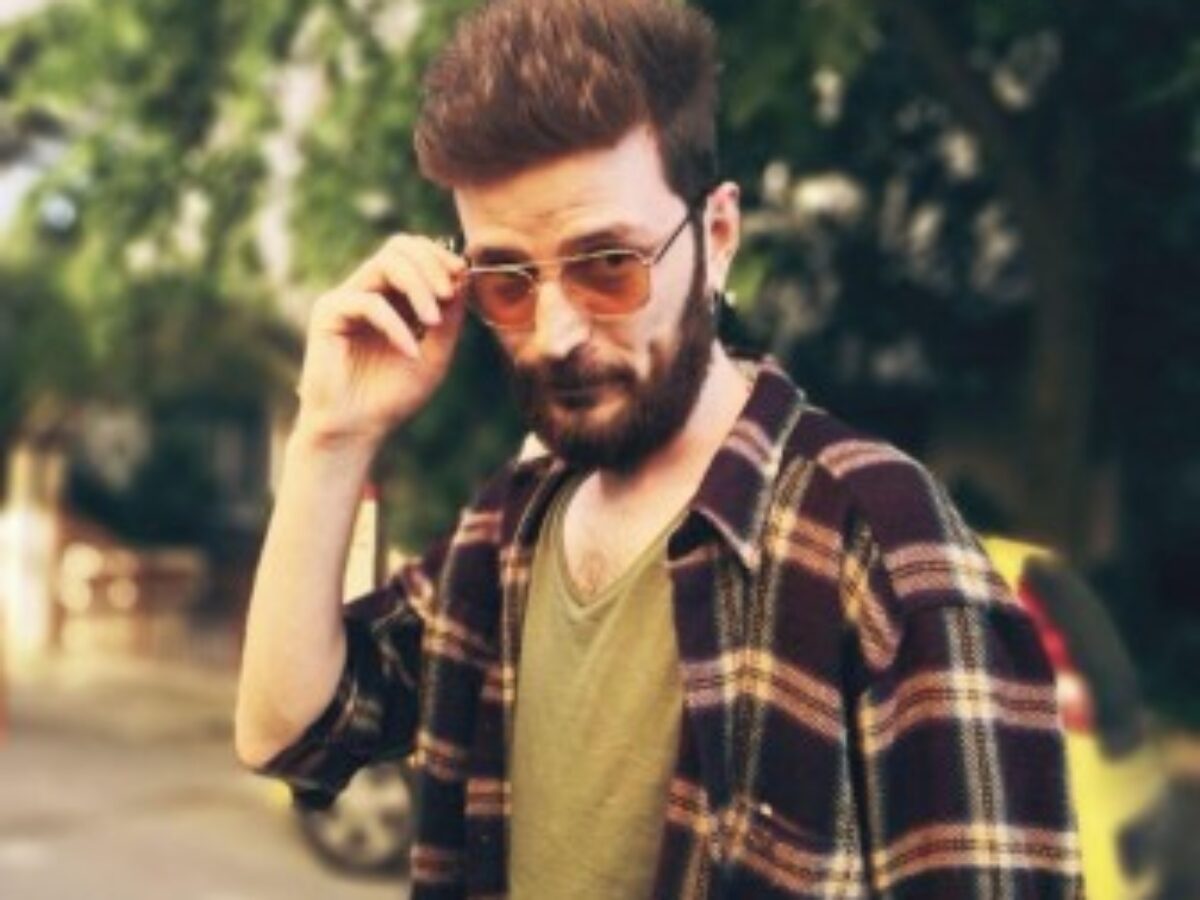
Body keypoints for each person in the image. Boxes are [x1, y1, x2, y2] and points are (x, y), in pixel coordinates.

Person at [235, 1, 1083, 897]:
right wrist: (331, 434)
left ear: (717, 238)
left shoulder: (881, 548)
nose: (556, 334)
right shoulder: (504, 532)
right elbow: (288, 733)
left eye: (609, 265)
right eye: (508, 282)